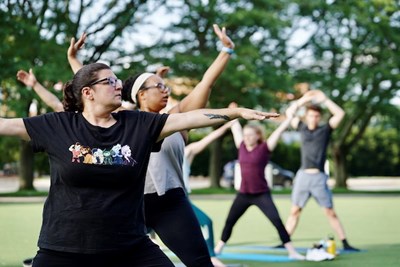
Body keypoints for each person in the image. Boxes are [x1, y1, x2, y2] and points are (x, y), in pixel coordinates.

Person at [9, 62, 278, 267]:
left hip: (129, 245)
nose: (118, 86)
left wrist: (235, 113)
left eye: (117, 81)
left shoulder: (139, 125)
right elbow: (6, 125)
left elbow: (190, 118)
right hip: (63, 247)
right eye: (110, 81)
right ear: (88, 93)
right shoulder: (59, 125)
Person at [67, 25, 236, 266]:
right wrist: (74, 59)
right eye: (160, 87)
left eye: (166, 87)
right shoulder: (124, 120)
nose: (166, 92)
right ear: (141, 95)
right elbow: (92, 89)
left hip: (171, 204)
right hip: (129, 203)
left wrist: (225, 51)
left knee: (200, 263)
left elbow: (205, 84)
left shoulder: (177, 118)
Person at [214, 103, 305, 260]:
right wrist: (232, 110)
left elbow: (279, 131)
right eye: (245, 134)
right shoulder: (240, 145)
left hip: (261, 194)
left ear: (258, 135)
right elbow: (235, 126)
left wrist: (289, 118)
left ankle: (292, 252)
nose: (247, 137)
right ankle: (218, 248)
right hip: (243, 194)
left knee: (277, 221)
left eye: (250, 135)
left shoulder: (265, 148)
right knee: (230, 221)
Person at [283, 89, 360, 252]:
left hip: (318, 178)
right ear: (306, 116)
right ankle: (285, 240)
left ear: (320, 118)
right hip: (303, 176)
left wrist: (324, 100)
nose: (314, 118)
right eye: (311, 115)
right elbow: (289, 112)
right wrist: (303, 100)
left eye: (317, 116)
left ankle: (345, 243)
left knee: (330, 212)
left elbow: (340, 114)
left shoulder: (325, 130)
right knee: (295, 210)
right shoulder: (301, 127)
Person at [183, 121, 236, 267]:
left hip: (182, 199)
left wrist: (227, 124)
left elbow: (210, 138)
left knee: (206, 222)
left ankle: (211, 257)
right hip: (164, 198)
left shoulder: (187, 152)